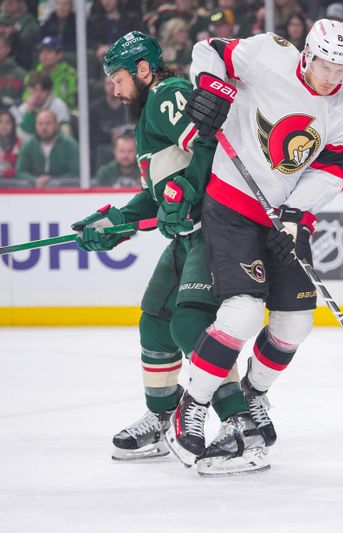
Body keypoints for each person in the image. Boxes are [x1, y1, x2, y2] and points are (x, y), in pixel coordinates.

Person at [167, 19, 343, 474]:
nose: (331, 76)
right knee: (241, 310)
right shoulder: (267, 53)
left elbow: (331, 171)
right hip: (232, 201)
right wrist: (212, 87)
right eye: (324, 64)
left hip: (284, 217)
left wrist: (297, 214)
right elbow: (209, 49)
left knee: (295, 322)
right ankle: (191, 404)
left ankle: (253, 396)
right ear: (306, 55)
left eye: (342, 68)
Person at [70, 31, 253, 465]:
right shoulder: (147, 115)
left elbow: (213, 141)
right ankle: (161, 416)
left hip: (216, 229)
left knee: (189, 326)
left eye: (118, 79)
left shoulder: (166, 94)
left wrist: (189, 189)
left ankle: (241, 423)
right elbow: (161, 193)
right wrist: (116, 222)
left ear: (144, 70)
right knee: (156, 318)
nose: (114, 89)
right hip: (189, 235)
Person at [15, 108, 78, 187]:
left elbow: (76, 172)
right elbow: (20, 172)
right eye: (40, 124)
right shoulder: (28, 145)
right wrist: (35, 180)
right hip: (34, 191)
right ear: (35, 125)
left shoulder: (69, 145)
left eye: (48, 123)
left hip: (64, 191)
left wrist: (52, 180)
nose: (44, 128)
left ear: (56, 125)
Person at [12, 72, 71, 143]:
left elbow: (66, 134)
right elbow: (23, 137)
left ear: (49, 91)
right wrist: (30, 112)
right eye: (34, 90)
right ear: (29, 90)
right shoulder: (24, 108)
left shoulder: (59, 106)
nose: (38, 94)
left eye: (42, 90)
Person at [26, 36, 78, 111]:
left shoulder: (70, 75)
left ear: (59, 55)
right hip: (37, 113)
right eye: (41, 52)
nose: (44, 55)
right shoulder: (32, 75)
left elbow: (72, 100)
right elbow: (26, 96)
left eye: (49, 52)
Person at [0, 33, 24, 106]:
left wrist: (11, 103)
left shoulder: (20, 74)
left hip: (10, 112)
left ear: (8, 49)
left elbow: (26, 97)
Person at [0, 107, 19, 178]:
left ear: (13, 125)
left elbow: (21, 169)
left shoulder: (19, 144)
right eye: (0, 122)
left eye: (7, 122)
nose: (3, 126)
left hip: (11, 183)